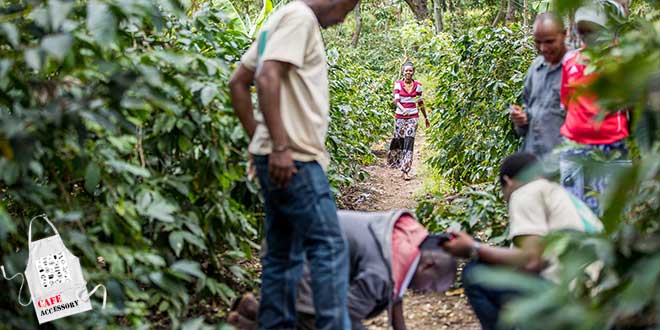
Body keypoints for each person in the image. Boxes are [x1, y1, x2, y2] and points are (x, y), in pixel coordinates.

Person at [228, 0, 359, 329]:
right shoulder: (299, 18)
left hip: (281, 157)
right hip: (296, 159)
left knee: (283, 255)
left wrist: (261, 141)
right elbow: (267, 76)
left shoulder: (280, 19)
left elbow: (238, 81)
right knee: (328, 246)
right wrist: (280, 147)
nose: (344, 18)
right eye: (349, 7)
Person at [441, 152, 604, 330]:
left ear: (508, 181)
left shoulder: (525, 192)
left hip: (568, 296)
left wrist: (474, 249)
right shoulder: (559, 194)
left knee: (475, 273)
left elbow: (532, 262)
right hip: (597, 298)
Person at [228, 210, 457, 330]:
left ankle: (249, 312)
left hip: (293, 240)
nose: (426, 292)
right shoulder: (381, 274)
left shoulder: (402, 240)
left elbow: (395, 302)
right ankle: (248, 322)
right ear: (428, 265)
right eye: (431, 287)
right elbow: (341, 318)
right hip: (297, 255)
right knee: (314, 323)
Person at [559, 0, 630, 215]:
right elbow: (567, 102)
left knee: (610, 212)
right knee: (573, 211)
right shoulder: (571, 61)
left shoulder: (621, 63)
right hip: (575, 144)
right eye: (585, 32)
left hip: (611, 143)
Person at [509, 13, 568, 158]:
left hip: (562, 164)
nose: (543, 48)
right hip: (532, 161)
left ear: (564, 35)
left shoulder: (575, 69)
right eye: (537, 42)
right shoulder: (536, 68)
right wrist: (520, 120)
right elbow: (528, 114)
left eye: (549, 42)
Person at [387, 61, 430, 181]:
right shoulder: (398, 84)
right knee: (399, 140)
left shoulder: (418, 85)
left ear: (413, 72)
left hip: (413, 117)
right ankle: (395, 161)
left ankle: (406, 170)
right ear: (403, 71)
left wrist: (426, 118)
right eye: (406, 70)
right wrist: (402, 109)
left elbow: (420, 102)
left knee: (409, 142)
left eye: (410, 70)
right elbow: (396, 100)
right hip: (400, 117)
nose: (408, 73)